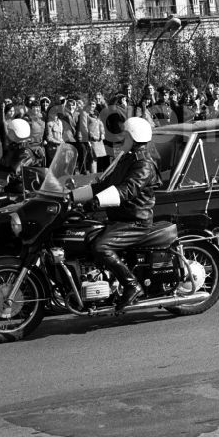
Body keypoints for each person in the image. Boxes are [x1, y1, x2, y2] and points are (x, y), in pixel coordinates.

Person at [72, 117, 161, 311]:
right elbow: (104, 184)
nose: (122, 138)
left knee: (101, 246)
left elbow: (128, 189)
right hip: (120, 218)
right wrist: (72, 196)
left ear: (133, 136)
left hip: (136, 221)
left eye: (125, 134)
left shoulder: (143, 163)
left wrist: (96, 202)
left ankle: (132, 285)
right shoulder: (126, 158)